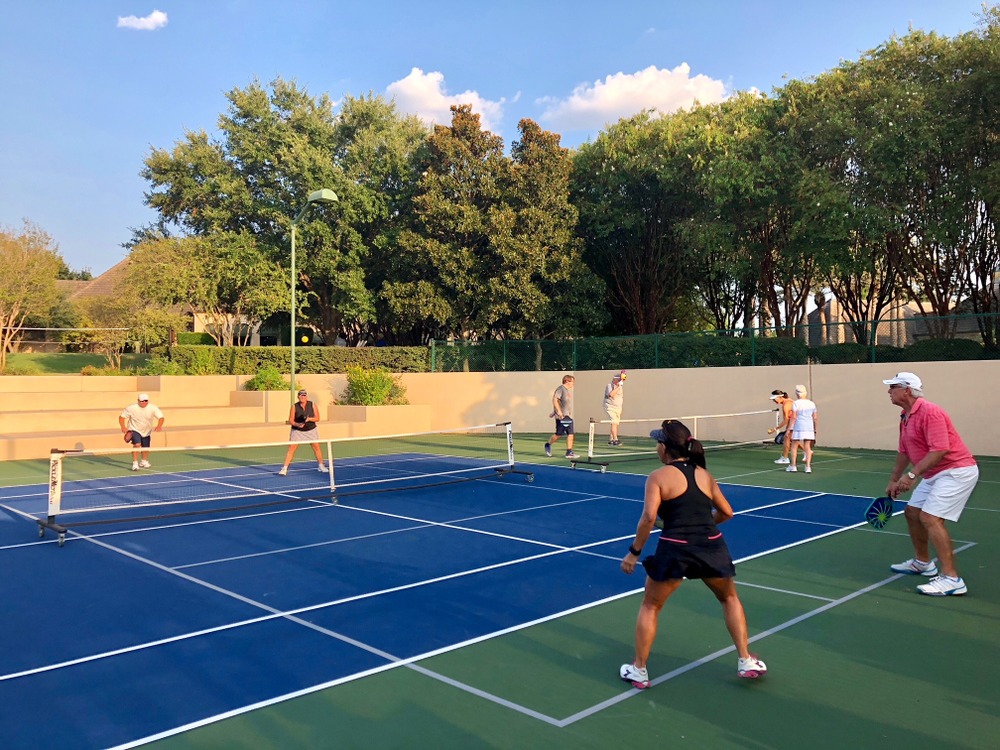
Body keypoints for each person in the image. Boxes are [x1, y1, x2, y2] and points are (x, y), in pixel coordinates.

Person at [619, 419, 767, 689]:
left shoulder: (657, 477)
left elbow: (648, 518)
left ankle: (638, 670)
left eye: (657, 443)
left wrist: (634, 553)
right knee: (729, 598)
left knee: (651, 605)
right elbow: (727, 513)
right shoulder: (704, 475)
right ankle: (745, 659)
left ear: (664, 448)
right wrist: (702, 522)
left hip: (674, 547)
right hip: (711, 545)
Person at [883, 372, 978, 596]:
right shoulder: (904, 416)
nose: (889, 391)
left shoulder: (931, 412)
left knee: (929, 517)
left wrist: (912, 476)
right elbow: (904, 451)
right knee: (912, 512)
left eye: (893, 387)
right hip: (934, 473)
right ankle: (923, 562)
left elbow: (940, 449)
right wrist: (894, 479)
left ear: (907, 390)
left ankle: (952, 579)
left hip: (956, 471)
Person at [279, 389, 327, 476]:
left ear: (306, 397)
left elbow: (317, 418)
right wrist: (297, 424)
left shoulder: (312, 404)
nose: (302, 397)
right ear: (298, 397)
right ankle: (284, 468)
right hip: (297, 431)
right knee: (291, 449)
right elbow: (291, 420)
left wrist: (309, 419)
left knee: (316, 447)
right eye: (301, 395)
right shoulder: (294, 406)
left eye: (304, 395)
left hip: (311, 429)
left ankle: (321, 465)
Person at [119, 393, 165, 471]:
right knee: (137, 445)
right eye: (141, 401)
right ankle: (135, 463)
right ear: (138, 401)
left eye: (145, 401)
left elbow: (161, 417)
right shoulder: (131, 408)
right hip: (134, 429)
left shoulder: (153, 408)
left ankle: (143, 461)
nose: (143, 402)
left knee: (146, 447)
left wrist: (159, 425)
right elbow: (122, 417)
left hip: (146, 431)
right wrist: (123, 427)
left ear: (148, 401)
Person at [544, 375, 577, 459]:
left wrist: (554, 411)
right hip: (561, 417)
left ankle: (569, 452)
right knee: (559, 434)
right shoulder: (561, 389)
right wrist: (558, 412)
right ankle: (548, 444)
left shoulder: (566, 391)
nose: (573, 383)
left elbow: (560, 403)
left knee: (571, 433)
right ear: (567, 381)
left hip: (568, 416)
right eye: (572, 381)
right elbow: (555, 399)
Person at [786, 384, 817, 473]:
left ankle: (793, 466)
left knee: (794, 445)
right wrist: (815, 429)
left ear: (797, 393)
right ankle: (808, 467)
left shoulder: (795, 403)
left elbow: (794, 417)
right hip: (809, 427)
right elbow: (815, 418)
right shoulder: (811, 403)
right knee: (807, 446)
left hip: (799, 426)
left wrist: (789, 429)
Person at [768, 389, 794, 464]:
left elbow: (786, 420)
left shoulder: (786, 405)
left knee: (786, 439)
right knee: (792, 440)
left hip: (795, 422)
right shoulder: (789, 401)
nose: (774, 401)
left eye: (775, 399)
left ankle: (785, 458)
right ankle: (807, 451)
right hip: (795, 422)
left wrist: (775, 429)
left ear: (779, 397)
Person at [603, 370, 627, 445]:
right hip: (610, 407)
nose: (620, 381)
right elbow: (611, 395)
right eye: (619, 379)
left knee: (615, 423)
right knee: (614, 422)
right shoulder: (609, 386)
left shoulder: (620, 387)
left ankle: (611, 439)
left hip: (618, 408)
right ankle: (615, 439)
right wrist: (619, 386)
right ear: (615, 379)